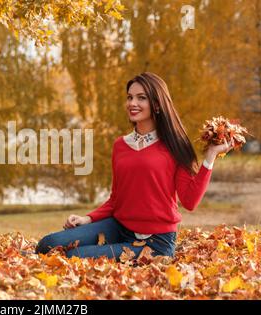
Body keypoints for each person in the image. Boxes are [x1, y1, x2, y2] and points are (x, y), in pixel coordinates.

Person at [36, 72, 233, 261]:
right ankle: (113, 246)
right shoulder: (120, 145)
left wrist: (210, 157)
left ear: (156, 104)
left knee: (74, 256)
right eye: (130, 97)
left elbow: (189, 201)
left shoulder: (175, 145)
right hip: (119, 227)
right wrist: (88, 218)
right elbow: (116, 199)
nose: (132, 103)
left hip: (156, 242)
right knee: (48, 244)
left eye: (141, 98)